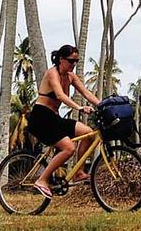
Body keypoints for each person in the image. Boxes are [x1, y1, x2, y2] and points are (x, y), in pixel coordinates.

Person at [27, 44, 99, 197]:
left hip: (54, 117)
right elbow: (60, 96)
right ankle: (42, 179)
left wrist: (103, 105)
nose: (74, 64)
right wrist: (79, 108)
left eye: (76, 61)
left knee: (89, 133)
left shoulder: (71, 76)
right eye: (71, 61)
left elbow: (86, 93)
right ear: (61, 59)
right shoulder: (52, 73)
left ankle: (79, 172)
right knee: (69, 148)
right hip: (41, 117)